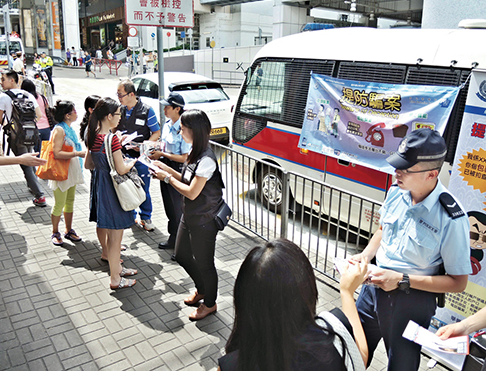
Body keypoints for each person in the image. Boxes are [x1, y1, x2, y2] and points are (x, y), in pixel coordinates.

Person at [350, 128, 472, 371]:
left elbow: (458, 282)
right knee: (354, 350)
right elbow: (382, 230)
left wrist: (402, 279)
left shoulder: (451, 219)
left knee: (401, 365)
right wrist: (365, 256)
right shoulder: (396, 192)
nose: (397, 172)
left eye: (406, 169)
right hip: (372, 288)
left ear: (431, 174)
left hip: (410, 300)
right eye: (397, 165)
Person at [218, 238, 369, 371]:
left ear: (243, 300)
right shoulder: (331, 337)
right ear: (308, 290)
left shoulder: (231, 364)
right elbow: (359, 356)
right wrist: (347, 293)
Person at [152, 109, 225, 321]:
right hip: (191, 214)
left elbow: (192, 191)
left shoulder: (207, 159)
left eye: (182, 130)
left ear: (194, 131)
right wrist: (166, 168)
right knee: (182, 254)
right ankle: (201, 289)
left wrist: (166, 178)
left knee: (205, 263)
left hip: (205, 219)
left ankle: (209, 303)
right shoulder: (194, 152)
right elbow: (186, 179)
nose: (180, 133)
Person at [84, 97, 138, 290]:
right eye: (118, 114)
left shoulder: (94, 135)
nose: (120, 117)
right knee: (116, 239)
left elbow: (88, 164)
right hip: (113, 191)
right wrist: (132, 162)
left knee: (111, 236)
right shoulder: (112, 139)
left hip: (100, 187)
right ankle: (115, 278)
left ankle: (117, 270)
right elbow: (122, 169)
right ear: (109, 116)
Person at [0, 70, 46, 207]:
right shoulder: (28, 94)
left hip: (16, 136)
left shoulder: (4, 96)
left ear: (12, 80)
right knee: (30, 160)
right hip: (31, 133)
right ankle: (33, 185)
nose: (1, 82)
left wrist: (10, 127)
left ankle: (40, 196)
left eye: (3, 79)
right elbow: (39, 115)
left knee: (26, 165)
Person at [116, 79, 160, 231]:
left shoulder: (147, 110)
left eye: (120, 95)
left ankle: (146, 217)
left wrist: (144, 145)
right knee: (125, 188)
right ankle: (130, 216)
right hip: (122, 156)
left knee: (143, 188)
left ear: (131, 94)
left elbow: (156, 132)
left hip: (141, 157)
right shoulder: (119, 110)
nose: (118, 98)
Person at [149, 93, 191, 255]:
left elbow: (185, 157)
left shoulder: (184, 128)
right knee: (169, 207)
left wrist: (163, 155)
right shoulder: (167, 125)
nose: (164, 109)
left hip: (178, 170)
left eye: (168, 107)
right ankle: (173, 238)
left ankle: (182, 246)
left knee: (178, 209)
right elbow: (164, 146)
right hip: (164, 167)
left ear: (177, 109)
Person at [47, 101, 85, 246]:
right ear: (67, 115)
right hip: (61, 172)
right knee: (59, 203)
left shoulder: (69, 128)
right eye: (74, 110)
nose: (76, 112)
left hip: (71, 171)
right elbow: (56, 153)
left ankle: (68, 230)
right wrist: (77, 153)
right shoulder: (59, 130)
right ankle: (55, 231)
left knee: (70, 201)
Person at [21, 79, 55, 154]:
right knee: (45, 151)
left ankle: (40, 165)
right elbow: (47, 108)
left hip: (35, 128)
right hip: (47, 127)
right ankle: (44, 165)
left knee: (37, 152)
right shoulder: (43, 97)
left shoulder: (26, 99)